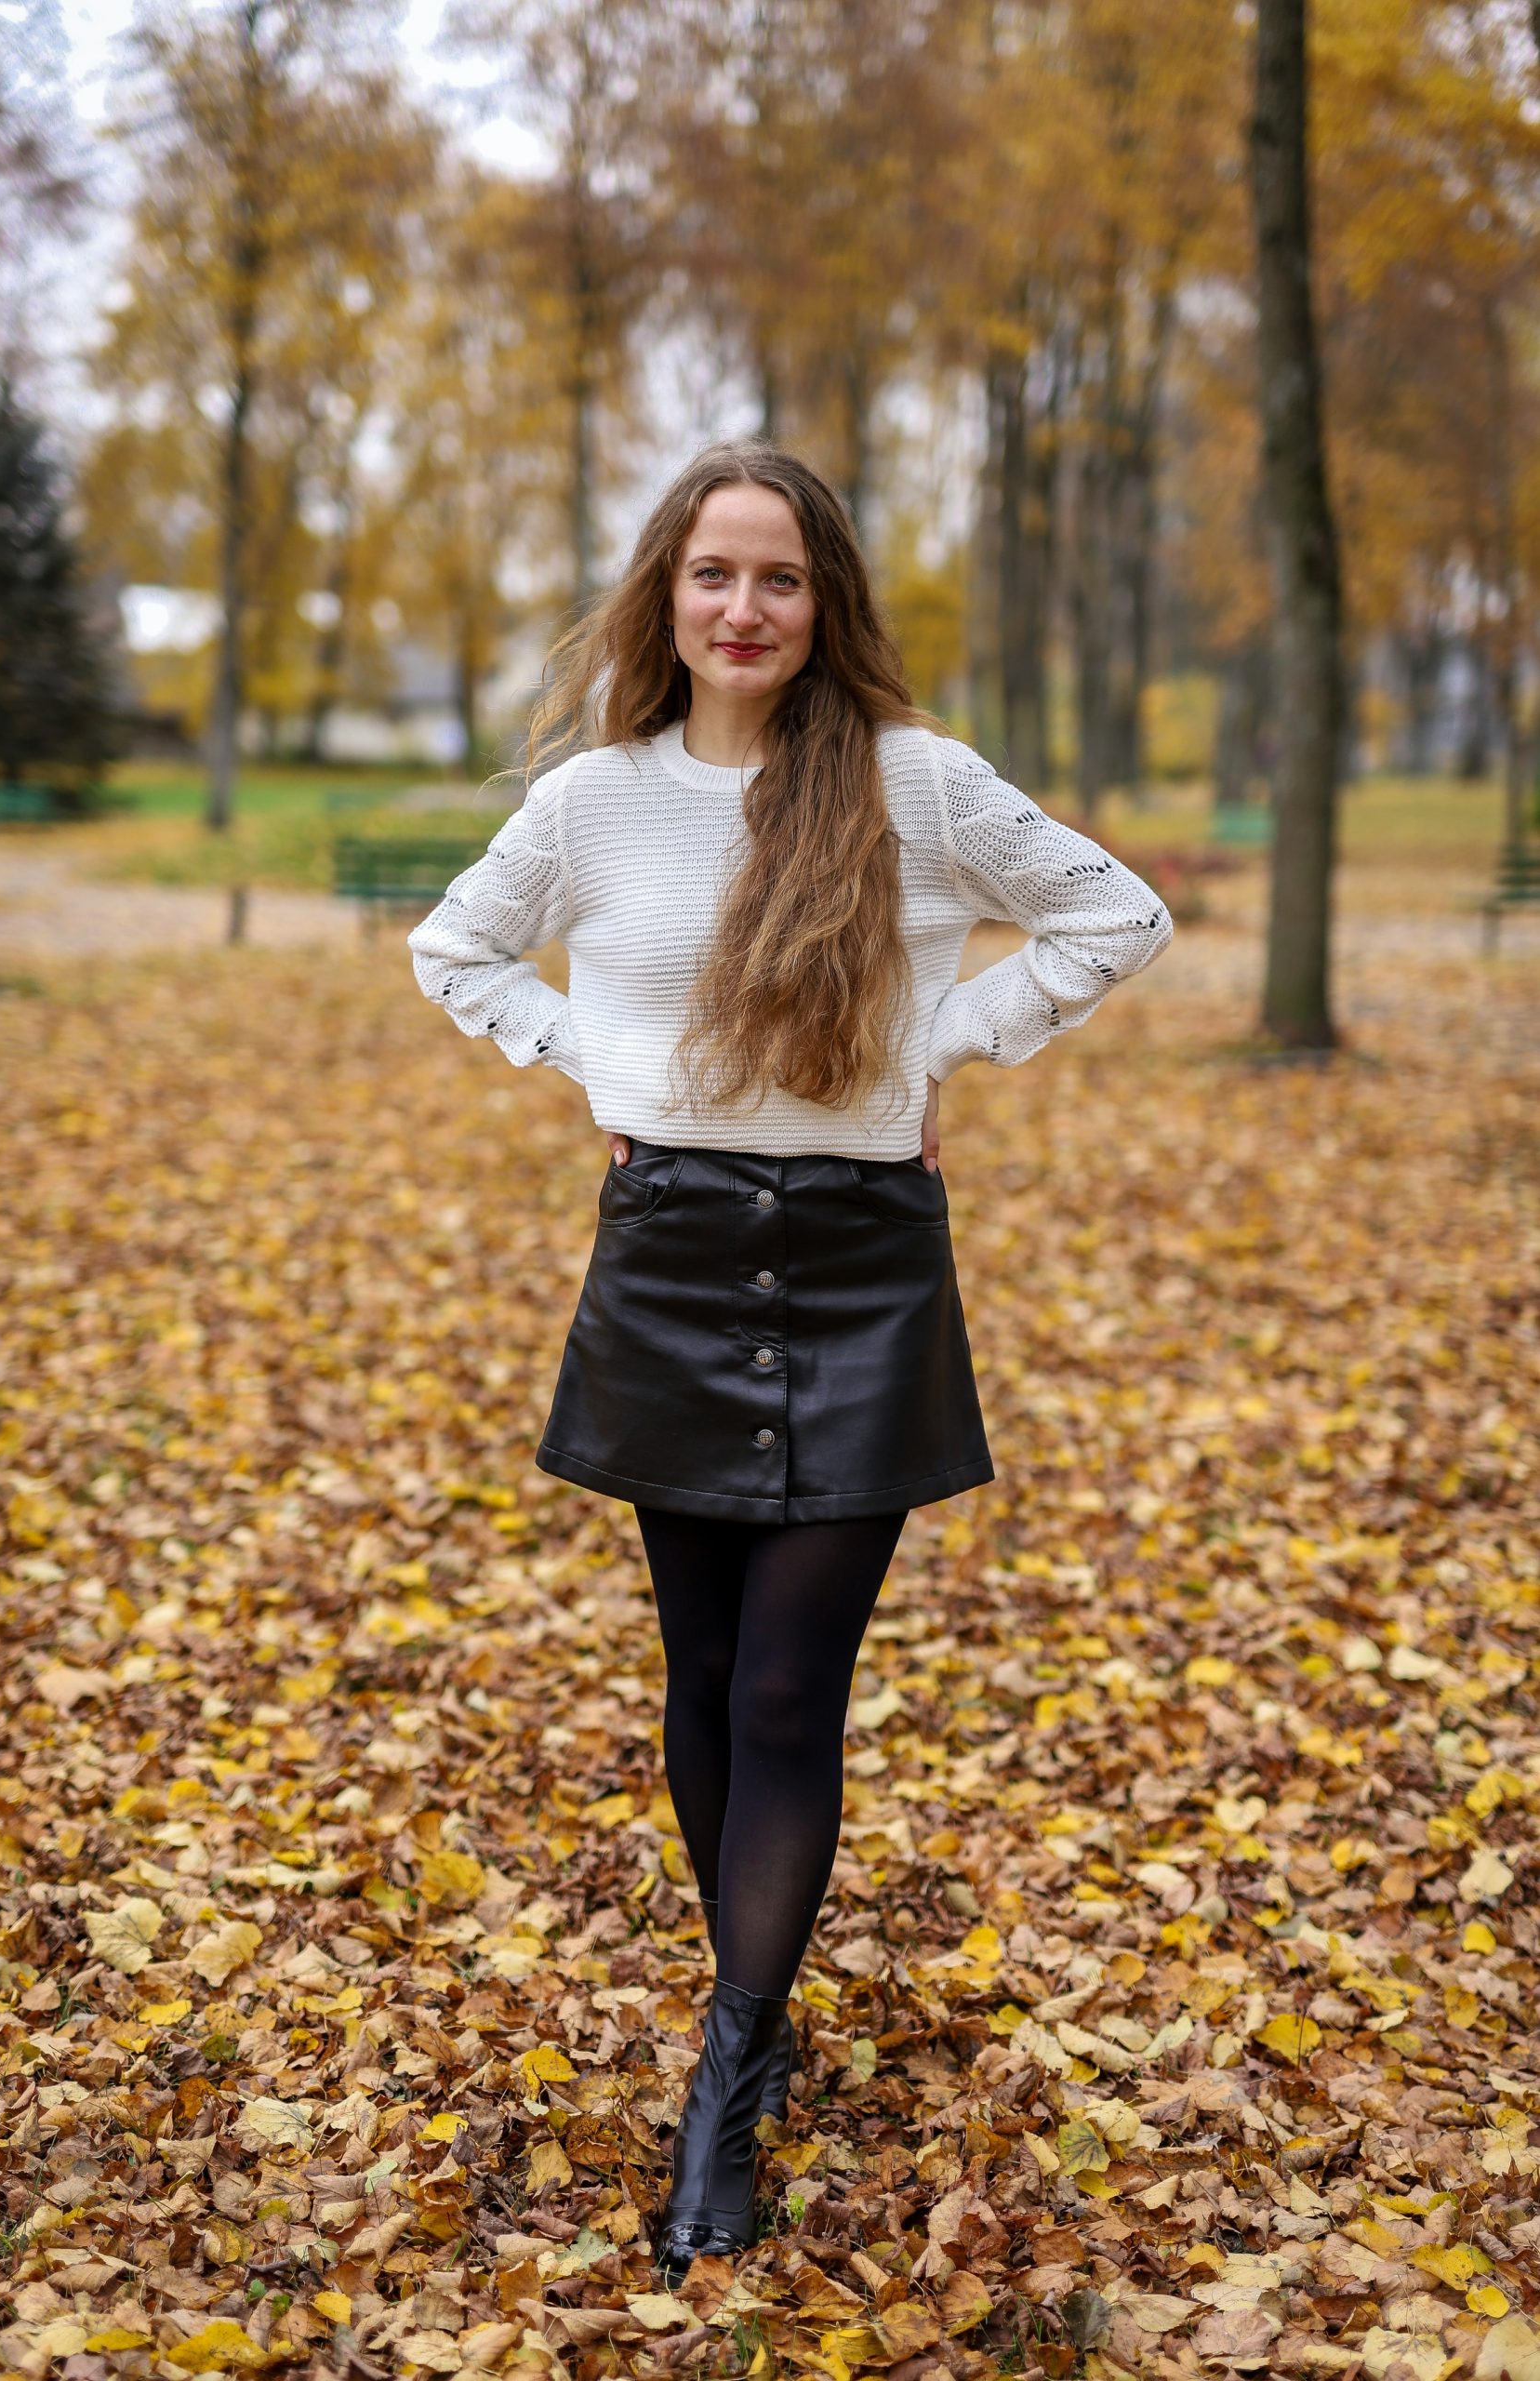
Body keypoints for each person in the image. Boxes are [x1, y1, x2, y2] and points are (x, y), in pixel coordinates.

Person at [407, 437, 1174, 2279]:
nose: (740, 608)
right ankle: (755, 1999)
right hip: (668, 1252)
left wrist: (939, 1053)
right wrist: (600, 1066)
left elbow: (1112, 917)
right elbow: (457, 948)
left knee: (778, 1696)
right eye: (709, 574)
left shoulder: (914, 784)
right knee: (693, 1673)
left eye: (776, 577)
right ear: (664, 596)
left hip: (854, 1272)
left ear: (821, 602)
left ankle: (727, 2085)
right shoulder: (595, 800)